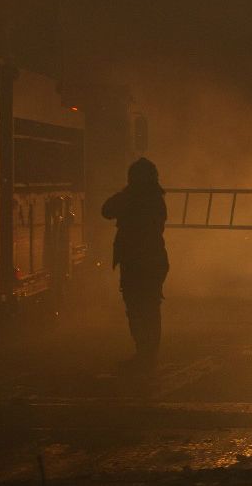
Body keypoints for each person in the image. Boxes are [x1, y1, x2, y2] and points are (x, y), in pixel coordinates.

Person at [102, 158, 169, 371]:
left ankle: (145, 354)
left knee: (139, 309)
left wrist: (127, 193)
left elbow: (107, 209)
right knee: (148, 308)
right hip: (152, 260)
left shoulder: (133, 198)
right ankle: (147, 354)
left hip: (137, 261)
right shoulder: (156, 198)